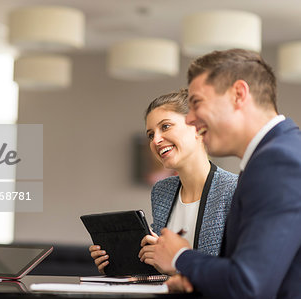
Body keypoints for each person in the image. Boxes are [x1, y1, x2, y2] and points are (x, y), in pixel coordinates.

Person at [146, 49, 301, 298]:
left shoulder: (280, 162)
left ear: (238, 94)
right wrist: (197, 283)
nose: (192, 119)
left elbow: (249, 285)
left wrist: (180, 256)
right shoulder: (273, 157)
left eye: (196, 103)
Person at [89, 90, 237, 274]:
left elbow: (238, 271)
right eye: (150, 134)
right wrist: (118, 263)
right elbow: (161, 270)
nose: (156, 140)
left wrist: (176, 262)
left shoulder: (234, 189)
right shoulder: (162, 191)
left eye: (165, 126)